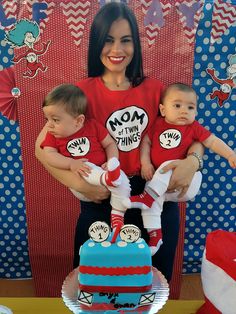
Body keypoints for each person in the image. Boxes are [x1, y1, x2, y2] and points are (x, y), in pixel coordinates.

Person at [35, 2, 204, 282]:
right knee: (96, 282)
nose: (117, 50)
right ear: (96, 43)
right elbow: (41, 149)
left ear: (136, 44)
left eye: (125, 40)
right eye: (108, 40)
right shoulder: (78, 94)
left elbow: (195, 135)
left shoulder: (158, 90)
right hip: (102, 199)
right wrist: (76, 183)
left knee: (152, 283)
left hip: (155, 197)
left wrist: (192, 162)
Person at [123, 83, 236, 255]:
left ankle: (148, 197)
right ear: (163, 109)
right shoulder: (157, 124)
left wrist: (230, 155)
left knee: (166, 168)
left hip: (187, 183)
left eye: (190, 107)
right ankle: (155, 236)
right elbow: (145, 143)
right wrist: (145, 163)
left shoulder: (193, 128)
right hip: (162, 189)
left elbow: (212, 141)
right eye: (177, 106)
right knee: (151, 204)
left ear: (196, 112)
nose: (184, 111)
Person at [40, 83, 130, 228]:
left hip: (103, 173)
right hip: (82, 179)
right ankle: (107, 178)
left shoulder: (92, 126)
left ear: (78, 120)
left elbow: (110, 144)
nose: (49, 125)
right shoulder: (53, 136)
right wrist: (71, 163)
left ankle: (118, 213)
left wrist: (112, 161)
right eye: (47, 119)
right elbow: (48, 155)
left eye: (55, 120)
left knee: (122, 180)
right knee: (87, 166)